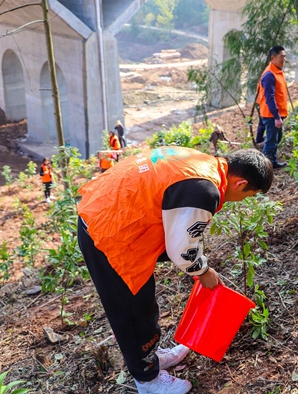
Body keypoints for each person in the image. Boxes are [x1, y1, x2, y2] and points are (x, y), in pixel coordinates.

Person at [77, 147, 273, 394]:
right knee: (133, 310)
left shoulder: (200, 163)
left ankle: (150, 356)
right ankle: (147, 380)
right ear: (240, 183)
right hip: (108, 233)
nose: (242, 200)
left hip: (107, 212)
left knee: (140, 305)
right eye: (248, 195)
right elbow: (181, 249)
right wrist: (203, 271)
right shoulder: (204, 189)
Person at [257, 45, 289, 169]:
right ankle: (263, 167)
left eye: (284, 56)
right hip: (271, 114)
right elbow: (269, 97)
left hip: (276, 113)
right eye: (281, 57)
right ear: (273, 58)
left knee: (276, 138)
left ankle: (272, 161)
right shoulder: (270, 75)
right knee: (271, 141)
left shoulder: (278, 72)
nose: (284, 59)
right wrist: (276, 117)